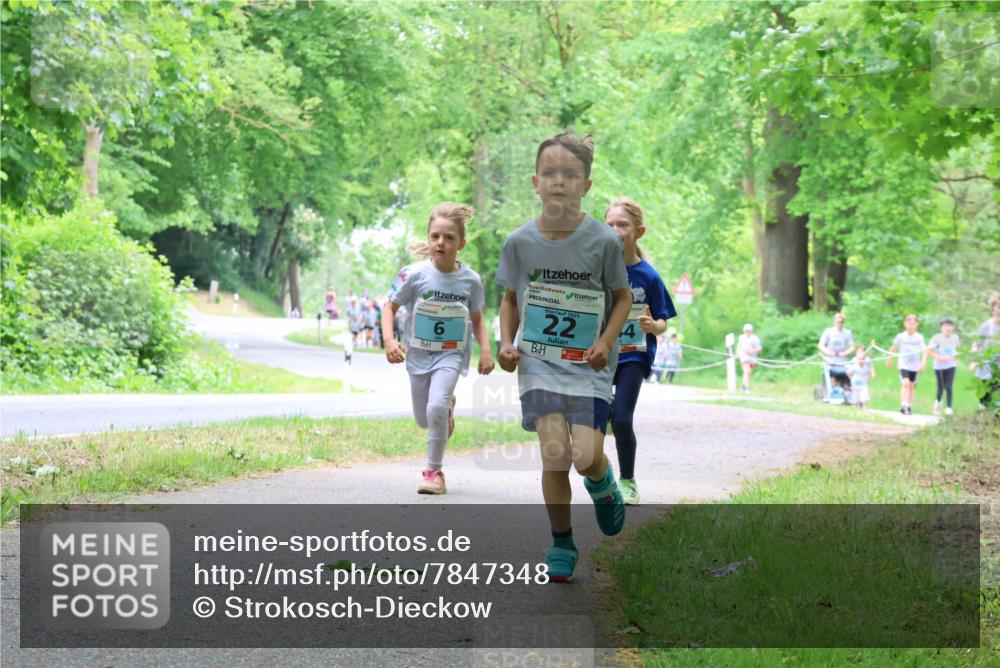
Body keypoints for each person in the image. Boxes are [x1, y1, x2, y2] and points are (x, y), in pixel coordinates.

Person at [496, 131, 632, 583]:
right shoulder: (519, 242)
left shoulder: (604, 241)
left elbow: (622, 298)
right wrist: (506, 343)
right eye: (550, 173)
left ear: (586, 186)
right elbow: (510, 299)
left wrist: (606, 341)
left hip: (588, 366)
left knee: (586, 457)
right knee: (555, 454)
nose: (559, 181)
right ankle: (561, 541)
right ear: (535, 181)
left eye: (571, 174)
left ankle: (603, 482)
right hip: (538, 365)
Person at [382, 202, 495, 495]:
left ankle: (434, 473)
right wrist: (389, 340)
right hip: (418, 355)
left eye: (449, 237)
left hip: (451, 354)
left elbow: (478, 320)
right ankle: (446, 410)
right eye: (435, 236)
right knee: (424, 419)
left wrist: (485, 351)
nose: (441, 243)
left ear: (462, 243)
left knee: (435, 408)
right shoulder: (412, 274)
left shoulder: (470, 280)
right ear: (428, 238)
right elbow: (389, 307)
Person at [605, 197, 675, 506]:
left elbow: (663, 321)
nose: (615, 231)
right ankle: (599, 475)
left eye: (622, 225)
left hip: (633, 355)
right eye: (609, 225)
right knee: (594, 418)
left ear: (638, 232)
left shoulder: (648, 276)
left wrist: (652, 326)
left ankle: (627, 481)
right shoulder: (596, 270)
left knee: (621, 418)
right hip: (599, 354)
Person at [887, 314, 925, 415]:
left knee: (912, 385)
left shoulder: (919, 338)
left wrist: (922, 363)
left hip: (914, 365)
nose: (911, 326)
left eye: (913, 324)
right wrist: (889, 360)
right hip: (904, 364)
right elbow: (893, 348)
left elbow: (924, 351)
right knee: (906, 383)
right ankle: (903, 405)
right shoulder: (901, 336)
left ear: (917, 325)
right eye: (909, 323)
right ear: (905, 324)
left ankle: (909, 405)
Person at [970, 292, 1000, 411]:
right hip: (985, 366)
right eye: (998, 307)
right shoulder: (986, 326)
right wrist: (974, 360)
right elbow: (976, 344)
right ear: (993, 309)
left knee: (996, 396)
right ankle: (983, 413)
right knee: (984, 398)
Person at [926, 318, 960, 416]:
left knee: (949, 386)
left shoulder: (955, 338)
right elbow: (928, 350)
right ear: (941, 328)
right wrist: (938, 357)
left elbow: (957, 350)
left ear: (952, 328)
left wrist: (956, 357)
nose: (948, 328)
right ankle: (937, 404)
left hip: (951, 365)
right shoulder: (936, 338)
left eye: (950, 326)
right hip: (939, 366)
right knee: (941, 386)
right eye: (945, 326)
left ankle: (949, 407)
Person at [818, 312, 856, 391]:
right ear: (834, 322)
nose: (839, 324)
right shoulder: (828, 331)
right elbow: (821, 345)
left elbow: (852, 347)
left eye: (841, 322)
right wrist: (827, 352)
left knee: (851, 371)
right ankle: (829, 389)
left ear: (843, 323)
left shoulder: (847, 333)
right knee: (829, 373)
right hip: (830, 360)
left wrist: (845, 353)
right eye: (837, 322)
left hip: (843, 361)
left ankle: (851, 389)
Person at [847, 344, 875, 409]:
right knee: (855, 398)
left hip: (863, 383)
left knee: (864, 396)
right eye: (859, 352)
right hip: (855, 382)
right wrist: (851, 380)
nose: (861, 354)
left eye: (862, 352)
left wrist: (872, 374)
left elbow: (871, 368)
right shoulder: (854, 362)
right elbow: (849, 373)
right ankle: (857, 405)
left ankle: (864, 406)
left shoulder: (867, 361)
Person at [737, 323, 762, 394]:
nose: (747, 332)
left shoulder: (755, 339)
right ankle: (747, 388)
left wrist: (751, 351)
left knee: (748, 372)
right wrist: (738, 353)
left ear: (751, 331)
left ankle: (743, 386)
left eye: (748, 331)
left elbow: (759, 348)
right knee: (747, 371)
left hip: (752, 358)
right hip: (744, 358)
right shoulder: (741, 337)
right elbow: (739, 345)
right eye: (746, 331)